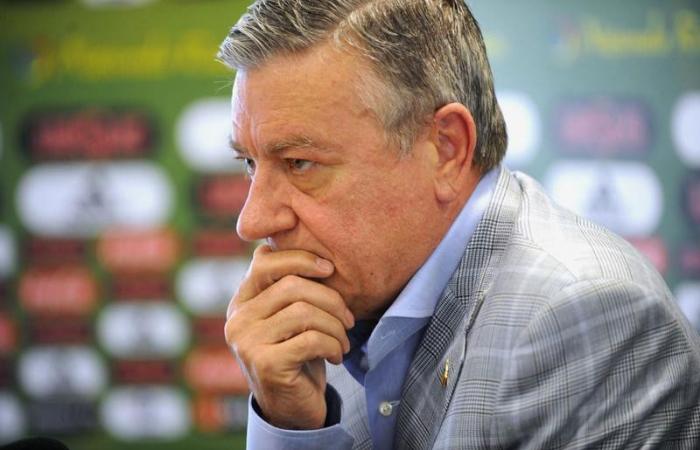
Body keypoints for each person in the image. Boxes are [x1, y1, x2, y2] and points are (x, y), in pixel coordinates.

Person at [219, 1, 700, 448]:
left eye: (300, 163)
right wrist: (293, 423)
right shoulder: (335, 300)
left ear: (446, 150)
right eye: (249, 163)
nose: (252, 220)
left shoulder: (586, 317)